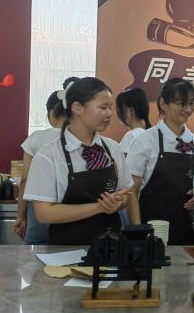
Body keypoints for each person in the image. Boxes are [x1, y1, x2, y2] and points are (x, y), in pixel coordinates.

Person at [23, 77, 137, 245]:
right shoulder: (49, 155)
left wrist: (118, 203)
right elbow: (43, 213)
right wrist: (99, 207)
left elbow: (126, 193)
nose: (109, 114)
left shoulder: (112, 149)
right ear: (78, 108)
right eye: (103, 107)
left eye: (110, 107)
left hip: (110, 248)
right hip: (64, 250)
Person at [126, 78, 194, 245]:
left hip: (184, 229)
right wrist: (138, 232)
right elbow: (131, 191)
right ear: (163, 103)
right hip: (150, 229)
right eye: (182, 103)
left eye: (191, 103)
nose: (188, 109)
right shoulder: (145, 141)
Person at [12, 78, 76, 244]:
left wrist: (20, 216)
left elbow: (25, 180)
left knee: (36, 255)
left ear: (52, 111)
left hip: (40, 206)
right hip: (73, 208)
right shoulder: (82, 138)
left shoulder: (36, 138)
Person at [116, 87, 151, 157]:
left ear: (131, 111)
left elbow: (123, 163)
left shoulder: (131, 136)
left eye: (121, 110)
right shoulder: (150, 134)